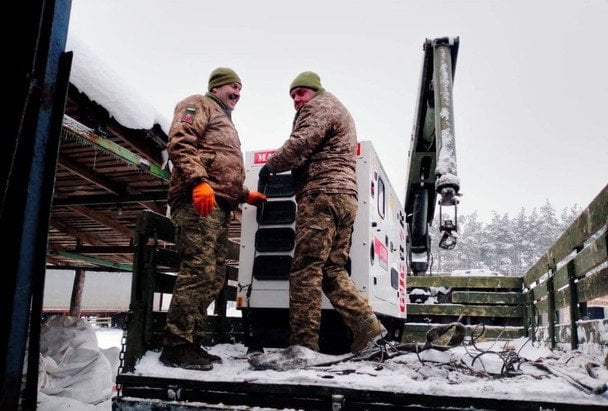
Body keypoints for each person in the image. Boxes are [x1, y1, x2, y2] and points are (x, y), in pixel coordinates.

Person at [258, 71, 386, 354]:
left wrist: (270, 167)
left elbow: (301, 143)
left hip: (322, 195)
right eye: (292, 96)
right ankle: (368, 328)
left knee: (306, 269)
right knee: (331, 269)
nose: (296, 100)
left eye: (300, 92)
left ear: (315, 90)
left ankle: (302, 346)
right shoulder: (336, 108)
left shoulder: (319, 106)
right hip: (344, 198)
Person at [160, 67, 267, 370]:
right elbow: (180, 142)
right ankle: (176, 345)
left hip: (218, 205)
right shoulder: (198, 104)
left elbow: (221, 168)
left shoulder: (225, 120)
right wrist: (198, 181)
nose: (237, 93)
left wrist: (244, 194)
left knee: (213, 275)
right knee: (198, 270)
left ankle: (192, 342)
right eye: (233, 86)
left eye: (241, 88)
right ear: (216, 87)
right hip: (198, 202)